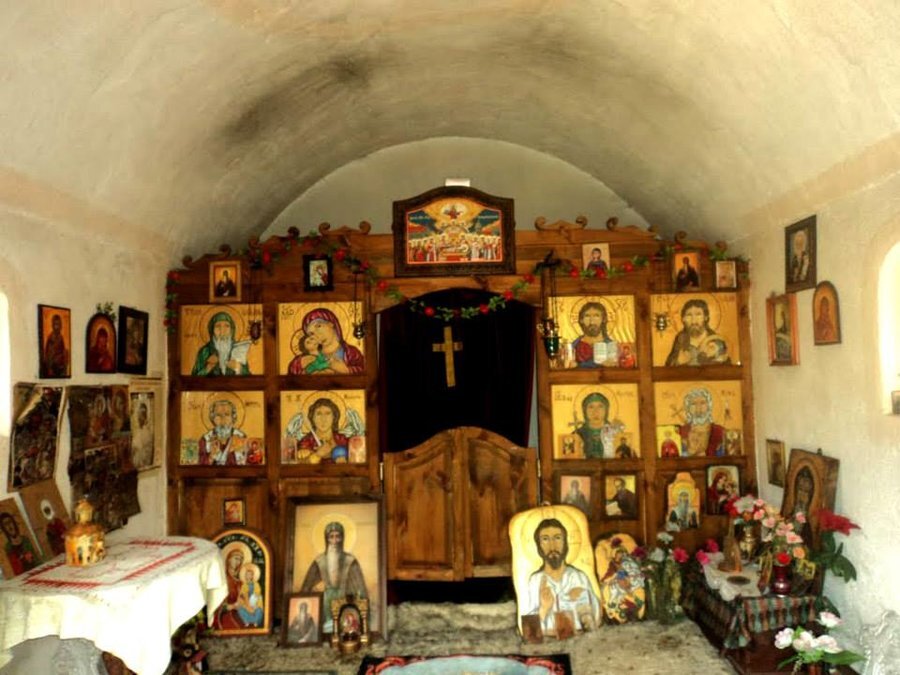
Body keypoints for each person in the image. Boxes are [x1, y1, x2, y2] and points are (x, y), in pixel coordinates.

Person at [526, 518, 600, 634]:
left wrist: (585, 595)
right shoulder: (534, 581)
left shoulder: (579, 577)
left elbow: (596, 618)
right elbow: (530, 632)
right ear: (538, 545)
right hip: (549, 641)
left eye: (557, 538)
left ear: (565, 542)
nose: (552, 546)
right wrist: (544, 608)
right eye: (545, 539)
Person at [300, 521, 367, 634]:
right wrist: (316, 589)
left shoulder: (350, 561)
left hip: (346, 604)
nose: (335, 541)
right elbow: (306, 589)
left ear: (342, 538)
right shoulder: (319, 561)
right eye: (331, 537)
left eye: (338, 536)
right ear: (326, 539)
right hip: (324, 607)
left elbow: (360, 589)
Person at [287, 308, 364, 375]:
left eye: (318, 326)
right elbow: (292, 376)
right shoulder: (305, 358)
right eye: (311, 333)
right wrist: (301, 364)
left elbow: (363, 372)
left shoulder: (351, 353)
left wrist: (346, 370)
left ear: (330, 323)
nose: (316, 334)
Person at [664, 299, 729, 366]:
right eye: (689, 315)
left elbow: (727, 367)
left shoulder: (715, 340)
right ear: (683, 319)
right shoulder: (680, 340)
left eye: (698, 314)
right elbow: (668, 367)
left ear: (706, 317)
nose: (694, 321)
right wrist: (678, 361)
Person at [192, 311, 251, 376]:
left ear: (232, 330)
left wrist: (239, 368)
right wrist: (208, 368)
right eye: (218, 326)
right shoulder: (205, 351)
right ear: (212, 330)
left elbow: (249, 378)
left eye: (227, 326)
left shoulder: (238, 349)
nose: (222, 331)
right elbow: (193, 379)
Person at [296, 398, 350, 464]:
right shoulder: (306, 442)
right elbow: (298, 464)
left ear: (334, 417)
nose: (323, 419)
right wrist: (318, 455)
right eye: (319, 414)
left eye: (328, 413)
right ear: (312, 418)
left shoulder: (342, 440)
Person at [678, 387, 726, 456]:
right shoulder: (681, 431)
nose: (698, 408)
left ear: (709, 406)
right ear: (688, 408)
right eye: (693, 404)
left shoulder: (719, 431)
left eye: (703, 403)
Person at [574, 392, 624, 459]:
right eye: (591, 407)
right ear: (584, 411)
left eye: (600, 406)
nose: (595, 412)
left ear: (606, 410)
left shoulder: (615, 432)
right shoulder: (578, 434)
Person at [198, 399, 247, 466]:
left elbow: (246, 464)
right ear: (212, 417)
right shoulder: (205, 439)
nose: (223, 419)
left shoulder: (241, 437)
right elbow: (200, 466)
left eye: (227, 414)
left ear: (233, 417)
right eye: (218, 415)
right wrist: (211, 456)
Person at [571, 302, 618, 368]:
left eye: (596, 316)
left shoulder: (610, 346)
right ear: (581, 320)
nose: (592, 322)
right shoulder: (574, 346)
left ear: (603, 319)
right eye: (587, 316)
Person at [214, 548, 247, 629]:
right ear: (229, 559)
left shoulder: (240, 583)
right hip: (225, 617)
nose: (238, 562)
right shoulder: (222, 580)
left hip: (238, 615)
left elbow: (244, 601)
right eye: (236, 558)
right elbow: (215, 604)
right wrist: (231, 606)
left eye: (240, 560)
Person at [42, 313, 68, 377]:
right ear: (53, 325)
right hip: (53, 367)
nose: (58, 327)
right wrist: (50, 368)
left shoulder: (60, 337)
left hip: (60, 366)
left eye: (59, 324)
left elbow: (62, 350)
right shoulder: (51, 338)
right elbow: (49, 355)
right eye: (56, 324)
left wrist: (64, 355)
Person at [131, 401, 154, 468]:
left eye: (141, 416)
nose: (139, 418)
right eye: (138, 415)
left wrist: (135, 449)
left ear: (144, 417)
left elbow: (146, 453)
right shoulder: (137, 432)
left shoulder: (147, 432)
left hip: (143, 465)